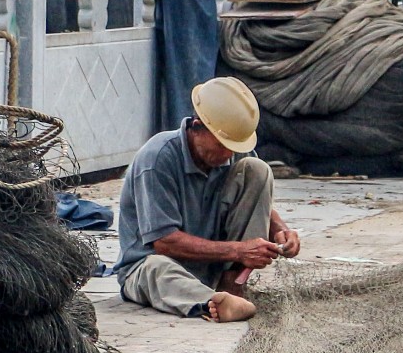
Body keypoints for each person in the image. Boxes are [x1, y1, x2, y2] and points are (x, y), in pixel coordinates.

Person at [114, 76, 302, 323]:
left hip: (213, 265)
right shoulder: (157, 158)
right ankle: (212, 301)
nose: (228, 154)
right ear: (197, 126)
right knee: (156, 270)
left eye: (233, 146)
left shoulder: (235, 150)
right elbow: (165, 243)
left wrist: (281, 231)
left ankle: (232, 283)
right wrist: (239, 250)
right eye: (222, 145)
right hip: (154, 267)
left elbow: (257, 199)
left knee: (257, 169)